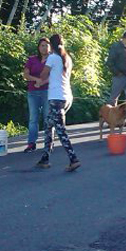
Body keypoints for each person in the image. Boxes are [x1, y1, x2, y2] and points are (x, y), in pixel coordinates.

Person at [36, 34, 81, 172]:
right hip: (66, 96)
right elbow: (55, 77)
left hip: (56, 98)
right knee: (49, 125)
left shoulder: (53, 58)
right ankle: (45, 157)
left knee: (60, 130)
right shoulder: (66, 58)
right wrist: (42, 82)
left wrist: (38, 78)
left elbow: (44, 74)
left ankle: (73, 159)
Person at [22, 38, 50, 153]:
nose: (44, 48)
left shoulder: (52, 59)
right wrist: (36, 80)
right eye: (42, 45)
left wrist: (42, 82)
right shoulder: (32, 59)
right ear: (39, 47)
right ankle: (31, 143)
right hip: (33, 91)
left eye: (46, 45)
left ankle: (48, 143)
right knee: (33, 118)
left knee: (47, 118)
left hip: (47, 91)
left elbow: (54, 75)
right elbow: (25, 74)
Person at [107, 31, 126, 126]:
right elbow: (110, 62)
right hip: (119, 76)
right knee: (113, 98)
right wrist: (117, 73)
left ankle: (123, 120)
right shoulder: (116, 47)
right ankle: (111, 120)